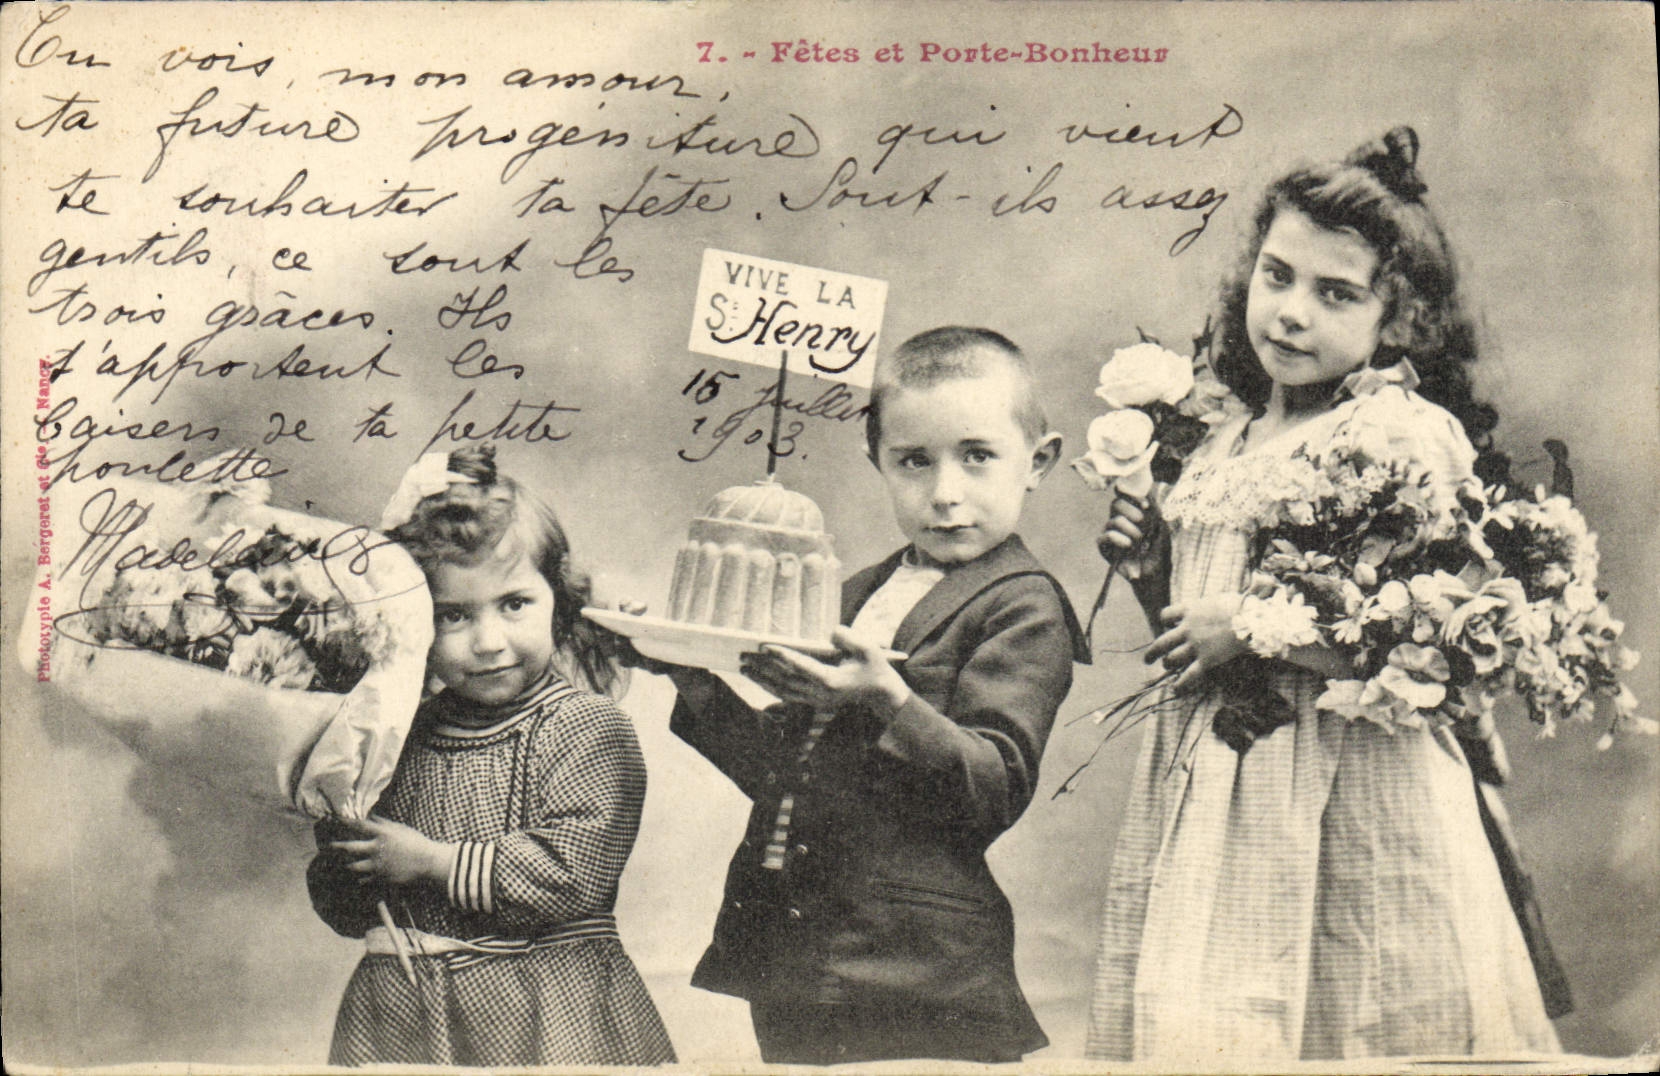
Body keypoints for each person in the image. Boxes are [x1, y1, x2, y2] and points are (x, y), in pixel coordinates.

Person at [1086, 128, 1565, 1062]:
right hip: (1217, 782)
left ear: (1398, 324)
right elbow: (1196, 632)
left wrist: (1255, 629)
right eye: (1277, 276)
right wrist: (1156, 575)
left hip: (1347, 779)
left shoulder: (1397, 431)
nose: (1292, 313)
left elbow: (1432, 637)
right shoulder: (1222, 443)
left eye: (1334, 294)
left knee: (1358, 1000)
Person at [651, 327, 1089, 1064]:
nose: (946, 493)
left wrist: (888, 699)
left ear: (1037, 461)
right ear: (876, 460)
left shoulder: (1023, 606)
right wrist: (690, 678)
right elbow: (782, 771)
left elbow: (995, 784)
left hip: (917, 963)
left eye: (977, 457)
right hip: (796, 947)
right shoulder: (858, 592)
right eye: (914, 461)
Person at [306, 445, 675, 1067]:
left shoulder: (584, 725)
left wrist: (431, 863)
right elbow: (349, 907)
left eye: (514, 604)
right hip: (403, 1010)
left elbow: (570, 875)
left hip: (547, 1008)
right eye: (452, 616)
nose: (488, 642)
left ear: (558, 601)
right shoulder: (395, 736)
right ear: (411, 626)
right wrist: (347, 857)